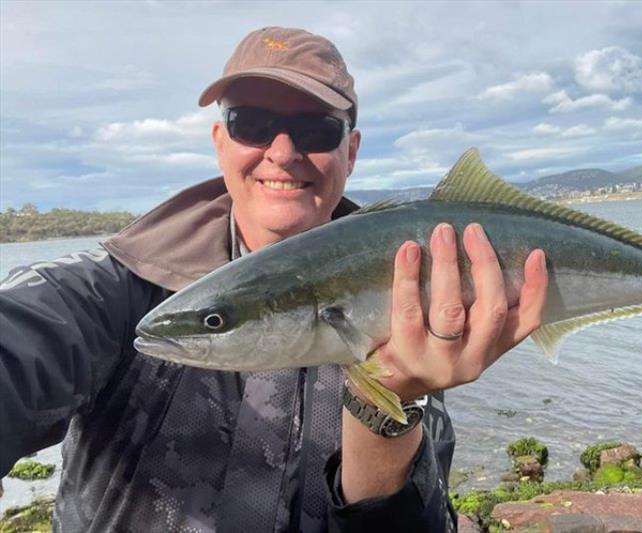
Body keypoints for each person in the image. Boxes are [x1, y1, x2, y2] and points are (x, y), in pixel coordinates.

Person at [0, 27, 548, 532]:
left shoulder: (415, 289)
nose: (282, 153)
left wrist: (392, 403)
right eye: (253, 124)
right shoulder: (112, 290)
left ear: (350, 152)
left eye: (315, 129)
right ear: (221, 141)